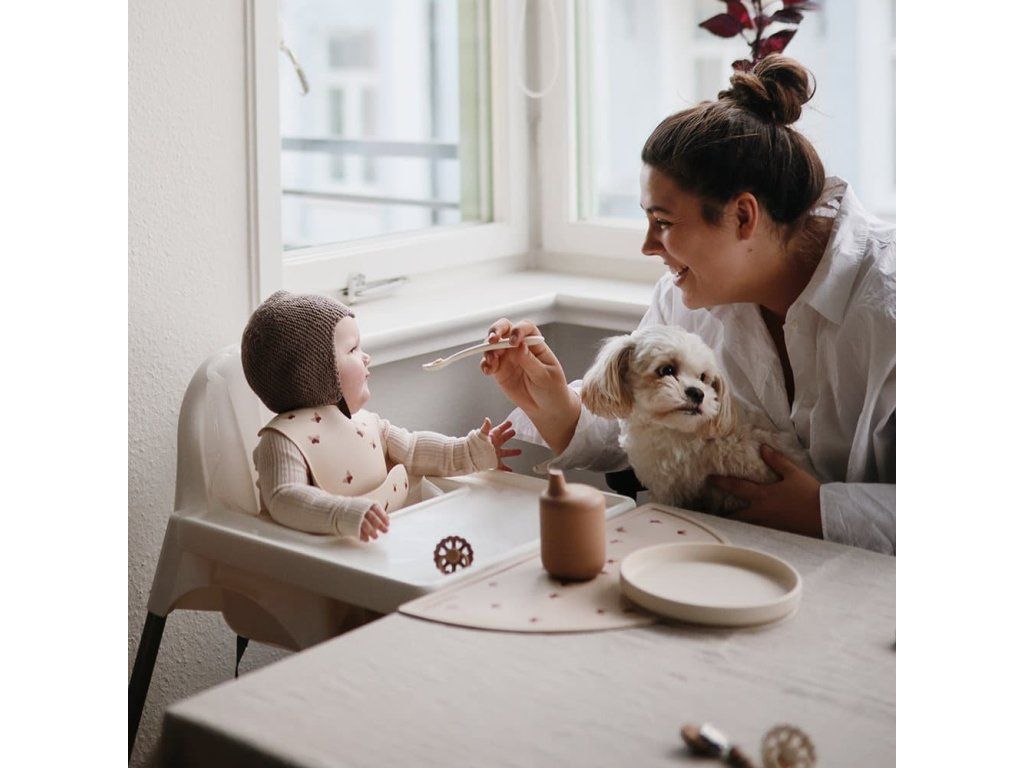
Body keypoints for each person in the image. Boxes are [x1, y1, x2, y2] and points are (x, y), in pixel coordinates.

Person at [481, 55, 895, 555]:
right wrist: (553, 401)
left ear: (743, 216)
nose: (648, 246)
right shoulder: (686, 295)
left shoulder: (890, 305)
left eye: (664, 222)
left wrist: (822, 511)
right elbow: (642, 424)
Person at [242, 290, 520, 542]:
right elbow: (284, 498)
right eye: (353, 349)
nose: (367, 357)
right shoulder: (282, 441)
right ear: (313, 372)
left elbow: (414, 450)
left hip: (391, 547)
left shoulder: (367, 424)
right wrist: (342, 513)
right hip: (327, 563)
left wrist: (471, 452)